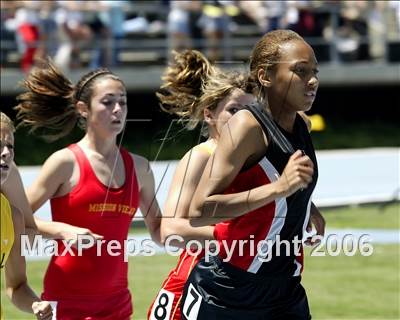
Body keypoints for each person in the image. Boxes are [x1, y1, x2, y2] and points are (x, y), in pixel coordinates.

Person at [181, 29, 324, 319]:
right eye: (300, 71)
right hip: (229, 290)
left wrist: (308, 206)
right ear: (265, 76)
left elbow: (285, 184)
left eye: (314, 72)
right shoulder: (246, 127)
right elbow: (199, 211)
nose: (312, 81)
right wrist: (279, 189)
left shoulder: (302, 125)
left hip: (286, 288)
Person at [14, 61, 162, 319]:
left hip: (118, 304)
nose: (118, 110)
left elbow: (161, 230)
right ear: (83, 108)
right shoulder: (64, 162)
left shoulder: (140, 168)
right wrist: (61, 230)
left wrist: (215, 233)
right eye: (107, 102)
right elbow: (14, 216)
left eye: (123, 102)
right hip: (66, 301)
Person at [147, 49, 256, 320]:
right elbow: (169, 230)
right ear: (209, 115)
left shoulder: (254, 160)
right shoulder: (200, 157)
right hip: (194, 283)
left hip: (238, 283)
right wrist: (238, 237)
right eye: (234, 110)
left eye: (251, 111)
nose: (243, 119)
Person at [0, 112, 53, 320]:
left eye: (10, 146)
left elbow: (16, 286)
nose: (6, 153)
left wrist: (36, 304)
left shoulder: (12, 217)